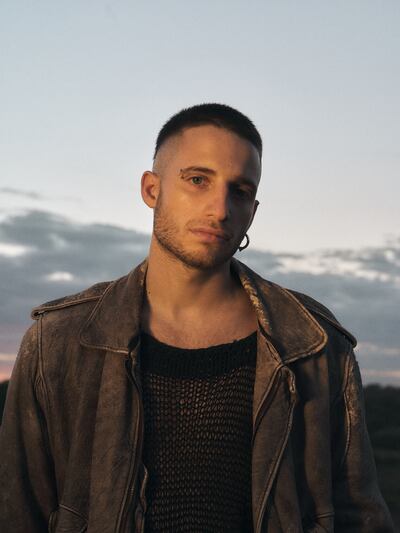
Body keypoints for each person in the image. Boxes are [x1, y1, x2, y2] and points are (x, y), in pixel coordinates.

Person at [0, 103, 394, 533]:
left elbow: (359, 515)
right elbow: (18, 513)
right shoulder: (57, 341)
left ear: (253, 210)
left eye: (239, 190)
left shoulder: (313, 343)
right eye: (197, 180)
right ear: (152, 189)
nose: (220, 209)